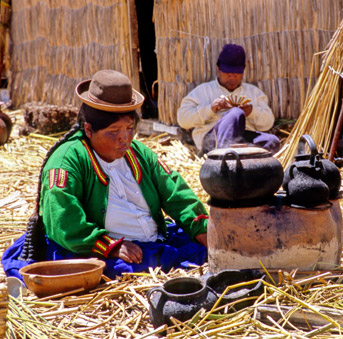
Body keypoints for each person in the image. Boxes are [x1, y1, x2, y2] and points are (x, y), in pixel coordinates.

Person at [2, 70, 209, 280]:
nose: (125, 139)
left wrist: (202, 230)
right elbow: (64, 220)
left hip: (155, 242)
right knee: (127, 271)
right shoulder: (67, 160)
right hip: (99, 249)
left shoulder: (138, 153)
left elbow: (175, 191)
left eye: (129, 128)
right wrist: (108, 246)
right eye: (113, 131)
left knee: (203, 251)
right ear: (89, 130)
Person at [177, 44, 280, 154]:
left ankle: (238, 157)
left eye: (236, 73)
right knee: (235, 113)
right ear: (218, 69)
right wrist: (210, 110)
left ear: (243, 70)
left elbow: (268, 123)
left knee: (272, 141)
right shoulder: (203, 91)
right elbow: (182, 119)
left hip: (242, 140)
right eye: (227, 73)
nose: (232, 77)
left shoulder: (254, 93)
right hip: (213, 143)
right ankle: (224, 160)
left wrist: (251, 112)